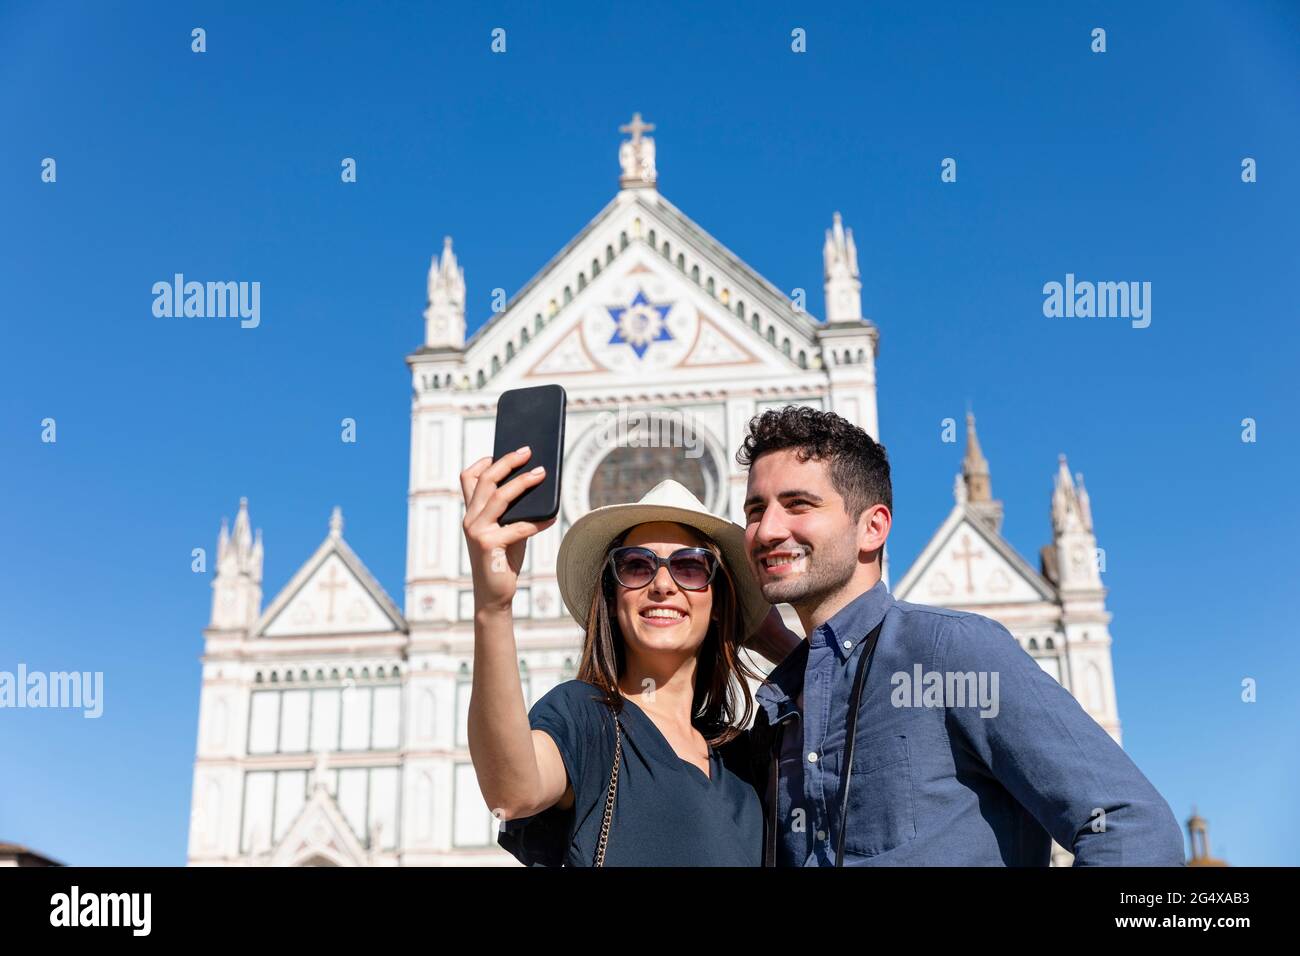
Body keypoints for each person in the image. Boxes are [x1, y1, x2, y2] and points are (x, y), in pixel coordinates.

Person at [739, 405, 1186, 866]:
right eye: (756, 509)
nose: (767, 529)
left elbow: (1130, 825)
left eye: (798, 505)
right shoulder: (778, 706)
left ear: (872, 528)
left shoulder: (949, 652)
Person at [460, 446, 800, 866]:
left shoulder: (744, 762)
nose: (662, 584)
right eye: (637, 565)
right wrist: (493, 608)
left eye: (691, 567)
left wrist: (776, 641)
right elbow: (512, 791)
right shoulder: (587, 719)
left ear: (718, 601)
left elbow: (867, 728)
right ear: (612, 596)